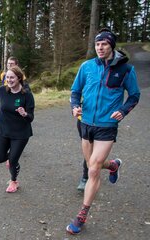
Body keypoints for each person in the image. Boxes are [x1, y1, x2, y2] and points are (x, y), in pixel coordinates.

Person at [67, 28, 140, 234]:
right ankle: (114, 165)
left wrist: (123, 110)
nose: (100, 47)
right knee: (93, 164)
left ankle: (82, 215)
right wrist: (75, 106)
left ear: (111, 46)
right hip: (86, 123)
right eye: (98, 44)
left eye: (104, 44)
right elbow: (75, 91)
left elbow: (134, 96)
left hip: (107, 126)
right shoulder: (87, 66)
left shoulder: (126, 70)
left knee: (93, 169)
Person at [0, 65, 35, 193]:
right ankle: (12, 158)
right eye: (7, 77)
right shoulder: (2, 90)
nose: (9, 80)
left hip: (20, 133)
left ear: (19, 78)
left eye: (12, 77)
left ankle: (14, 181)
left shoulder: (27, 95)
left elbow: (31, 117)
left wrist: (25, 114)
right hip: (3, 130)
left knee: (13, 160)